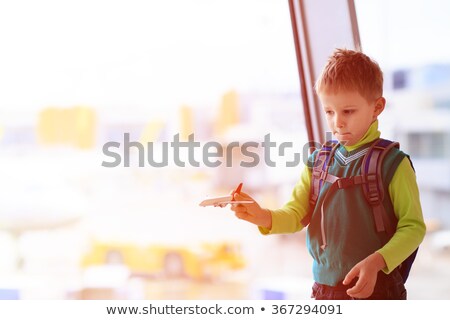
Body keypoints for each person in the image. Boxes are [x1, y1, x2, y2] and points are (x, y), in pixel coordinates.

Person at [230, 48, 426, 300]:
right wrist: (262, 216)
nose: (337, 122)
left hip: (379, 290)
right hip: (324, 292)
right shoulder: (318, 162)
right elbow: (295, 215)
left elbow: (413, 228)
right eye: (329, 112)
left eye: (348, 111)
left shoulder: (393, 164)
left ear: (377, 107)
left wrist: (377, 262)